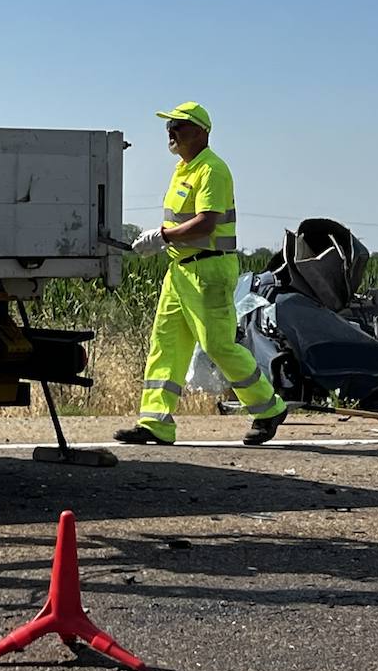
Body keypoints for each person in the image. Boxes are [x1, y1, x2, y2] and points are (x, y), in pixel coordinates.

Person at [114, 102, 289, 446]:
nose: (171, 132)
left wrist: (161, 236)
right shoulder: (184, 169)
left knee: (218, 345)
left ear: (202, 132)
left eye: (179, 126)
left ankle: (268, 407)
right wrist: (163, 240)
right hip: (179, 271)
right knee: (165, 344)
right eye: (170, 126)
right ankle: (155, 422)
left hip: (209, 270)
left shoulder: (212, 170)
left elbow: (207, 221)